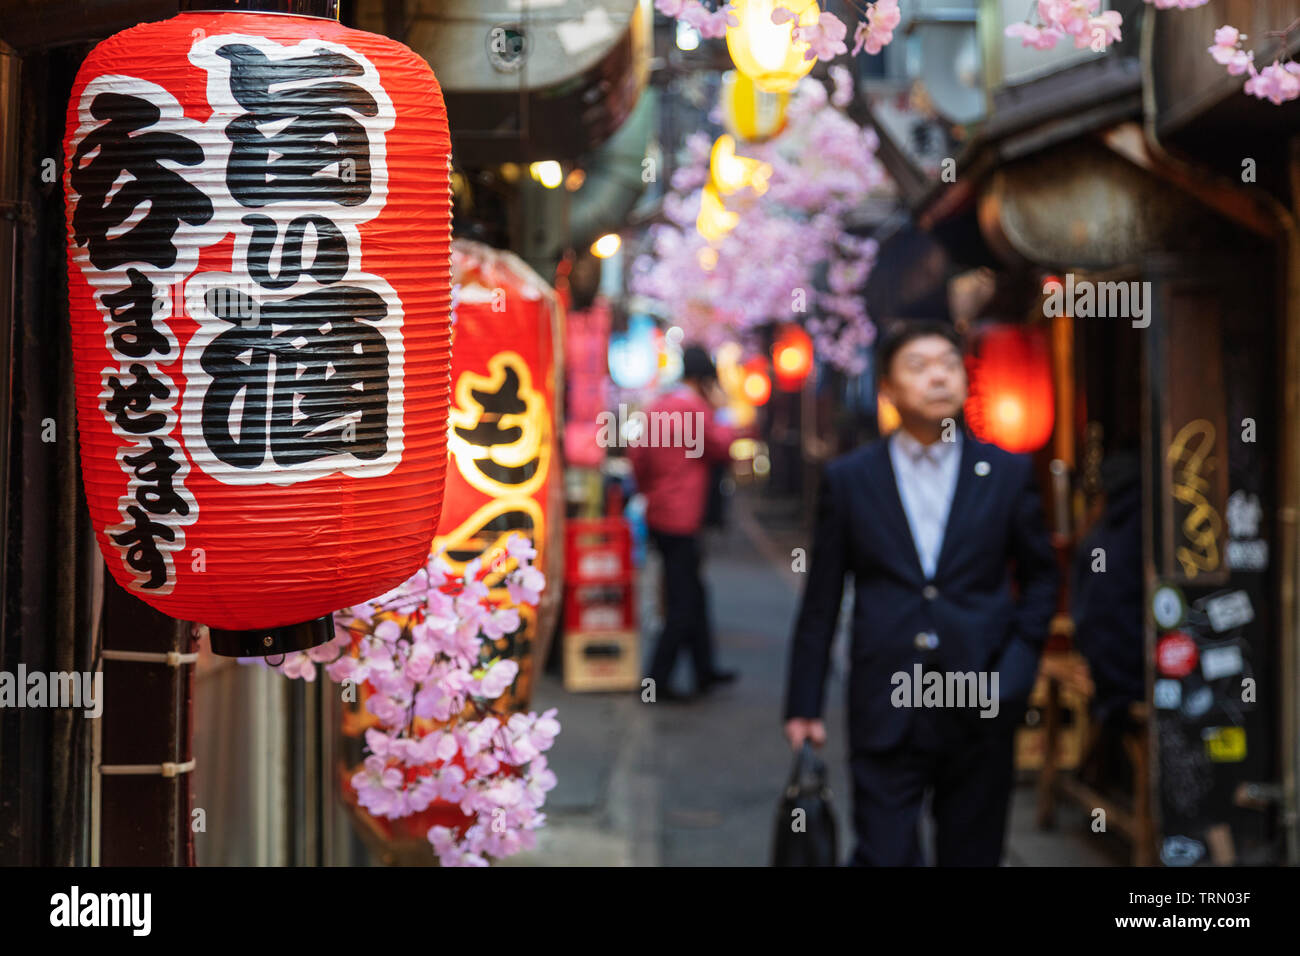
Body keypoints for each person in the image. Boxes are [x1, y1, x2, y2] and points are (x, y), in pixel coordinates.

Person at [783, 320, 1058, 865]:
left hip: (981, 697)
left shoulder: (1004, 473)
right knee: (882, 854)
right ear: (886, 387)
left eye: (948, 365)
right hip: (886, 698)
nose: (937, 377)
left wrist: (1018, 668)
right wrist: (804, 703)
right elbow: (823, 597)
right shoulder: (852, 478)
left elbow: (1042, 576)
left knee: (973, 854)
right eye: (918, 366)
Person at [628, 345, 739, 702]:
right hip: (683, 516)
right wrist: (726, 413)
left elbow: (638, 457)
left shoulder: (657, 406)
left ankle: (705, 669)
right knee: (682, 600)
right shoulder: (695, 408)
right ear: (705, 380)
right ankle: (656, 680)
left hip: (660, 512)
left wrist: (651, 491)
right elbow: (721, 448)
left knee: (692, 590)